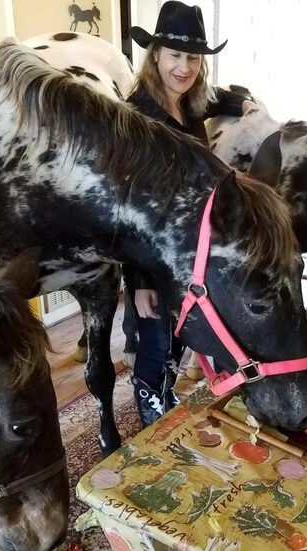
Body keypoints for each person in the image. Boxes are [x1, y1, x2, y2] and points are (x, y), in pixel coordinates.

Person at [125, 0, 255, 426]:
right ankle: (151, 429)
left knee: (182, 334)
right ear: (155, 55)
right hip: (152, 256)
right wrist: (138, 282)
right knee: (156, 343)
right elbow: (130, 208)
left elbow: (220, 98)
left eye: (194, 59)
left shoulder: (191, 101)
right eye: (176, 56)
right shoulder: (139, 115)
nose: (184, 67)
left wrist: (247, 102)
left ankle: (167, 400)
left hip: (190, 249)